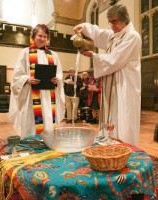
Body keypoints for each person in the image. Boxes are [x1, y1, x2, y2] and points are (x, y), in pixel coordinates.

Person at [73, 4, 141, 146]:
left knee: (123, 120)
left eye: (114, 21)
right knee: (110, 118)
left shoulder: (132, 36)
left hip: (124, 87)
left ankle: (125, 150)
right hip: (111, 86)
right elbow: (98, 34)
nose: (111, 25)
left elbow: (116, 60)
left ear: (125, 20)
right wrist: (84, 27)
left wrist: (94, 56)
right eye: (110, 21)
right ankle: (109, 148)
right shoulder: (113, 36)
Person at [8, 24, 65, 138]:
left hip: (49, 95)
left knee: (48, 118)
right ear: (33, 36)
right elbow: (17, 74)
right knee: (31, 120)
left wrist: (57, 79)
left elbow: (59, 72)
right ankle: (31, 142)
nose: (43, 38)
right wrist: (27, 79)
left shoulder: (53, 55)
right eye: (40, 36)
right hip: (31, 94)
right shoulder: (25, 52)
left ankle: (48, 140)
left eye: (45, 36)